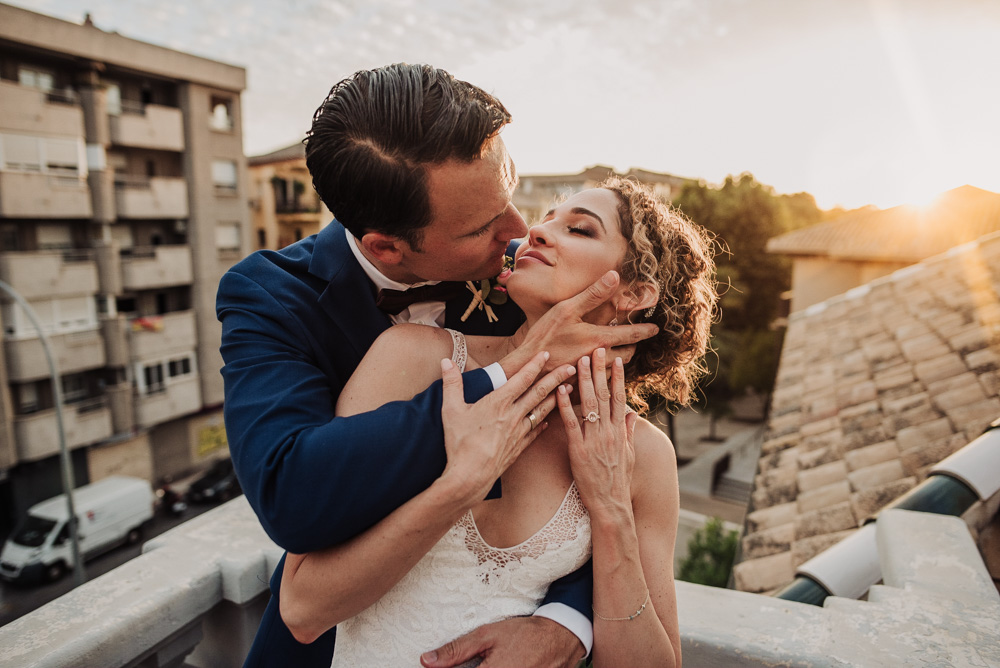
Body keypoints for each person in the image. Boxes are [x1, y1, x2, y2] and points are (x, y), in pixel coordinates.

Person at [216, 63, 659, 668]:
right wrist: (508, 373)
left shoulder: (533, 280)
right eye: (483, 226)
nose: (520, 232)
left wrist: (567, 623)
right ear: (386, 247)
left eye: (514, 194)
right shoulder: (268, 296)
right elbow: (291, 492)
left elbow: (582, 500)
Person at [279, 179, 718, 667]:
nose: (537, 231)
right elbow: (303, 607)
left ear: (635, 293)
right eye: (547, 218)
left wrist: (611, 511)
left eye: (578, 228)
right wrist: (460, 486)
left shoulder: (643, 455)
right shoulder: (416, 359)